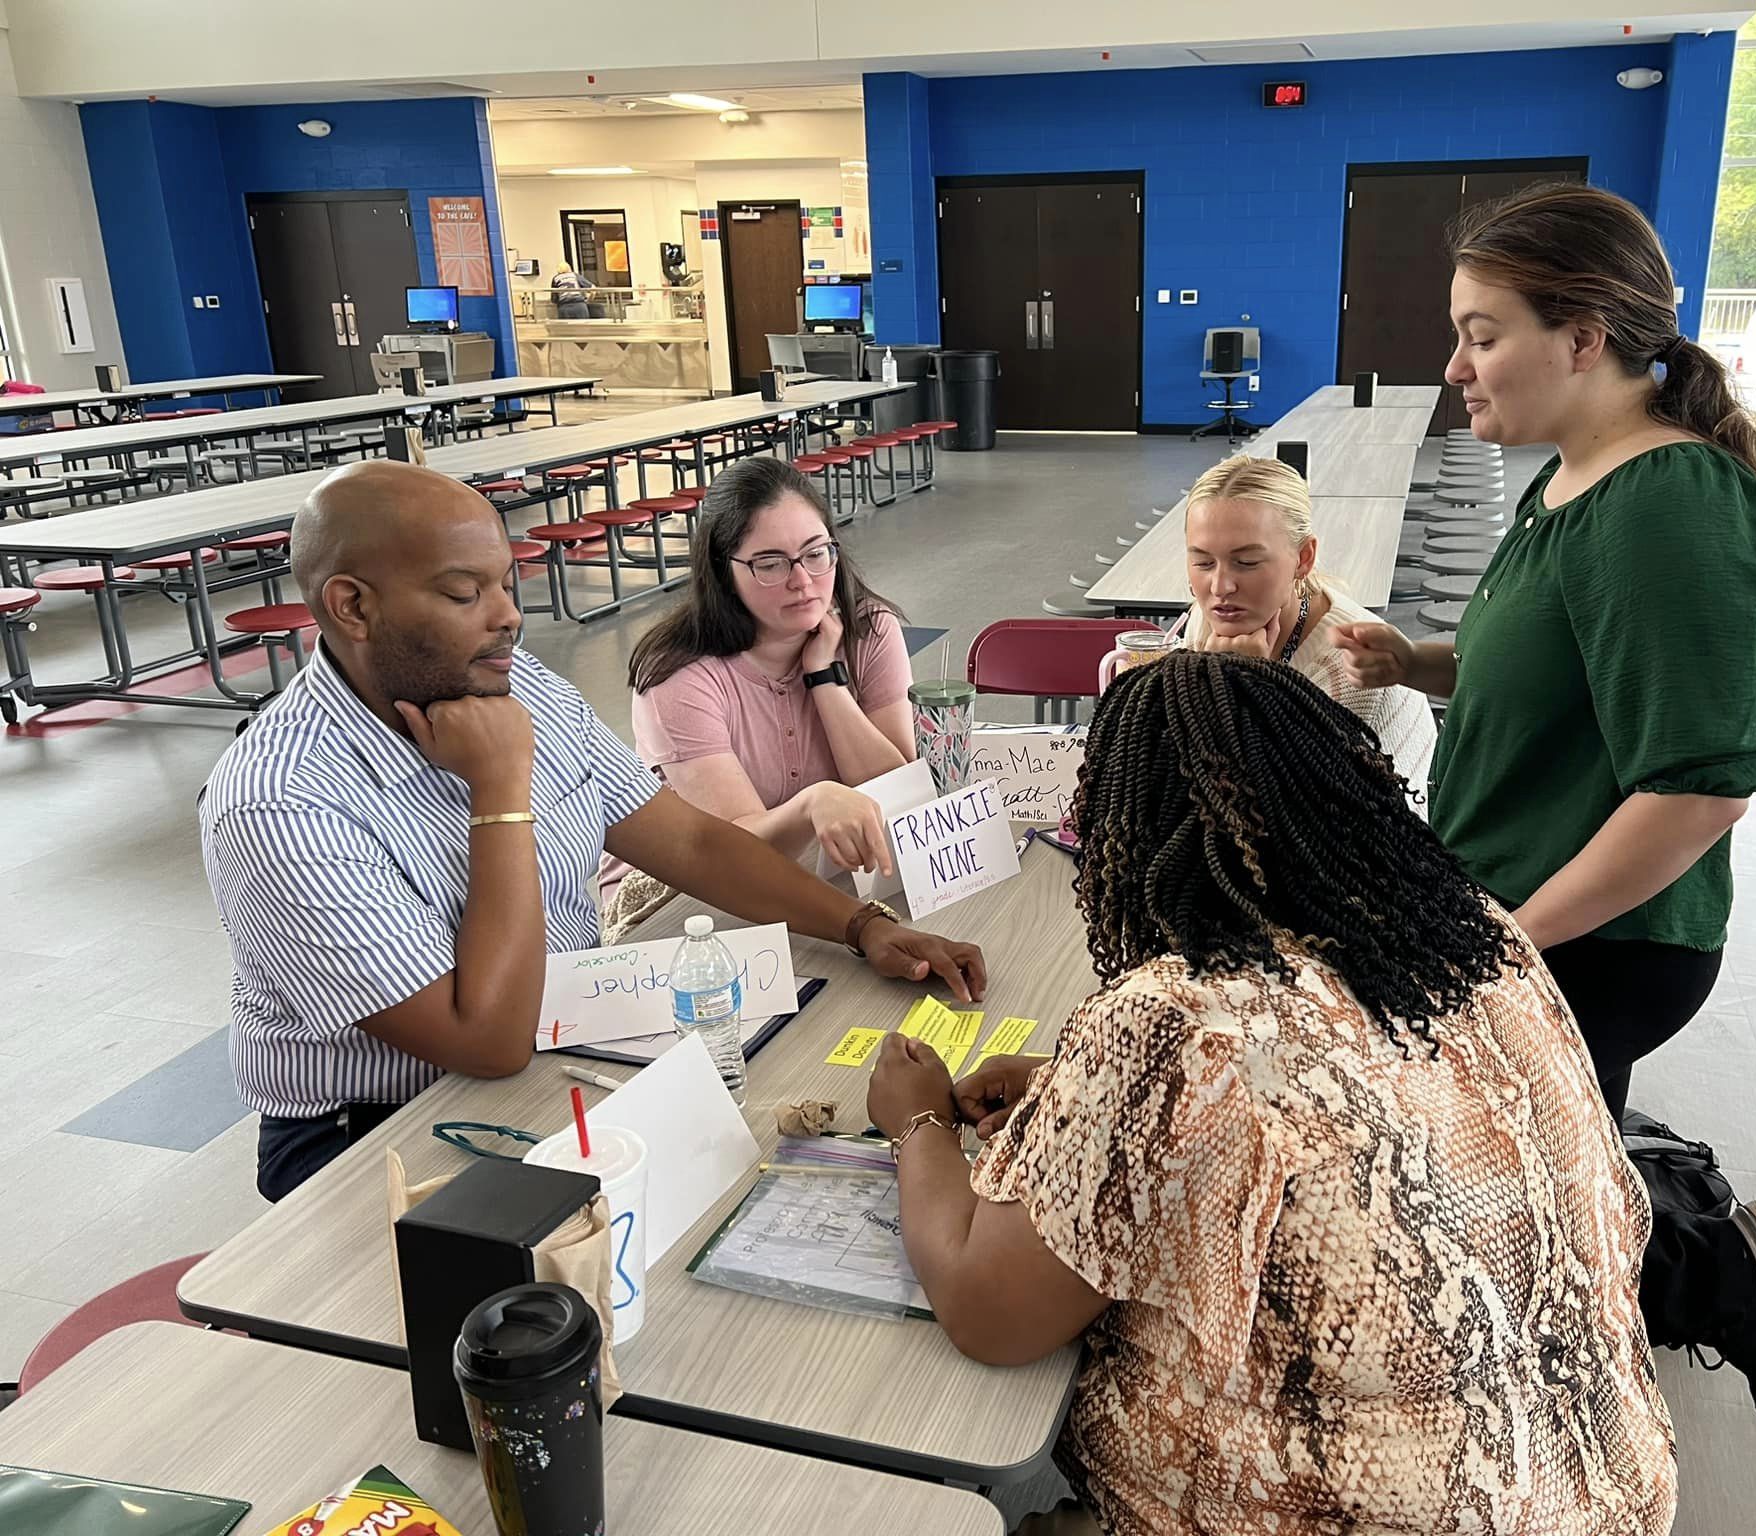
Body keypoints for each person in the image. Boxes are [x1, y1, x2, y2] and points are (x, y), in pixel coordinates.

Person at [869, 652, 1677, 1536]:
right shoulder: (1478, 937)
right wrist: (1077, 1094)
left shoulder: (1181, 1023)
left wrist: (916, 1121)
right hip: (1603, 1487)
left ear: (1120, 833)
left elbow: (989, 1313)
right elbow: (1329, 1097)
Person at [1334, 184, 1756, 1423]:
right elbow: (1559, 677)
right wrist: (1421, 664)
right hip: (1513, 910)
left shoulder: (1665, 503)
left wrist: (1513, 939)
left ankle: (1699, 1271)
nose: (1455, 364)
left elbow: (1695, 786)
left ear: (1584, 336)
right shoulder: (1569, 479)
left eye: (1481, 331)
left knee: (1509, 1199)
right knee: (1530, 1175)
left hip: (1593, 938)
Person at [201, 460, 983, 1203]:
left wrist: (861, 924)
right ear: (352, 607)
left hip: (563, 1044)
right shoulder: (279, 805)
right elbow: (486, 1041)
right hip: (378, 1131)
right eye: (463, 592)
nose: (507, 616)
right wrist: (501, 790)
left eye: (506, 583)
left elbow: (691, 843)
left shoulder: (514, 680)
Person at [599, 457, 914, 938]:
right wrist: (812, 804)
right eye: (770, 564)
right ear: (724, 572)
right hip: (685, 900)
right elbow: (732, 854)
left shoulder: (869, 631)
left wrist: (824, 678)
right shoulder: (680, 676)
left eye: (816, 553)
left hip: (821, 872)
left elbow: (896, 791)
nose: (803, 581)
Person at [1181, 453, 1436, 802]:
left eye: (1247, 563)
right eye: (1203, 562)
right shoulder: (1210, 619)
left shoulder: (1363, 676)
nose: (1220, 586)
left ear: (1304, 558)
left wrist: (1251, 687)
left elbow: (1338, 830)